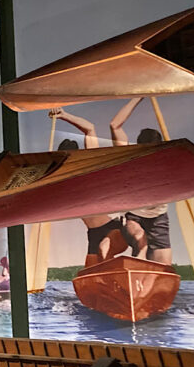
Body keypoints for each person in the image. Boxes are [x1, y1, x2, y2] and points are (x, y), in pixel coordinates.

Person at [50, 107, 128, 266]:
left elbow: (90, 129)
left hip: (114, 228)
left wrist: (64, 115)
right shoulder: (61, 180)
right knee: (90, 271)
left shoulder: (89, 169)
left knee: (103, 249)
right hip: (93, 233)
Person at [110, 98, 172, 265]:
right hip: (135, 218)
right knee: (140, 241)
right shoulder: (129, 157)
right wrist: (140, 96)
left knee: (164, 267)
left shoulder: (166, 161)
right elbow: (115, 125)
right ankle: (138, 262)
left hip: (159, 219)